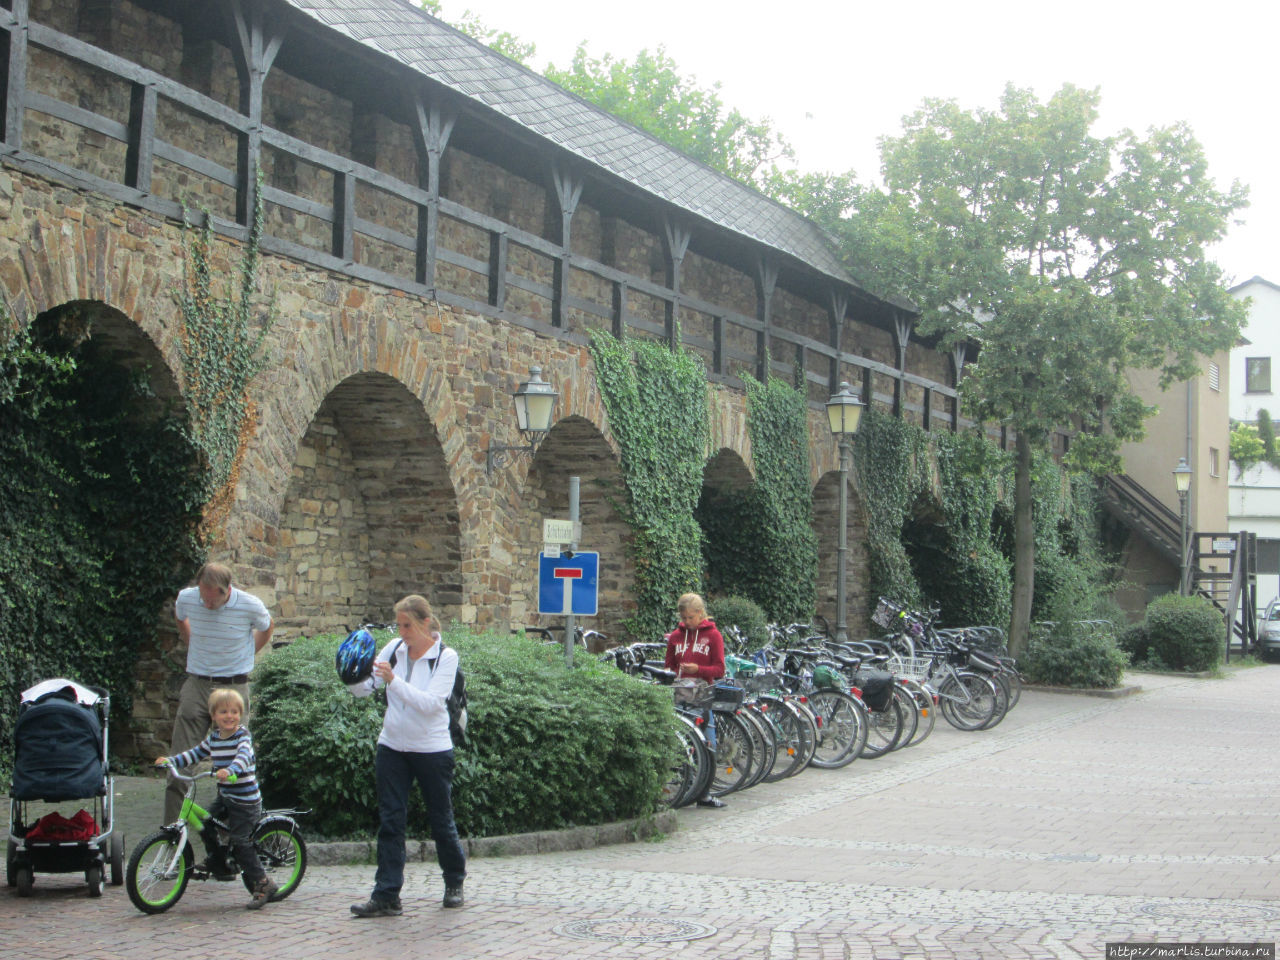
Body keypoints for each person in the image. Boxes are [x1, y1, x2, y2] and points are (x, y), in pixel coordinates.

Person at [346, 594, 467, 918]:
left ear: (425, 623)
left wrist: (393, 681)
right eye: (398, 625)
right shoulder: (394, 649)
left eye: (407, 625)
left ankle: (454, 881)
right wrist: (351, 675)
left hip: (432, 749)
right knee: (390, 821)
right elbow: (366, 688)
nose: (401, 632)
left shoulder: (446, 656)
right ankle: (386, 894)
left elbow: (430, 704)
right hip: (392, 747)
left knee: (441, 820)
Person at [165, 563, 273, 823]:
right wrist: (192, 643)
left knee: (234, 766)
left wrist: (247, 656)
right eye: (203, 596)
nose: (207, 603)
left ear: (227, 591)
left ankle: (233, 839)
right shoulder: (188, 598)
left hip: (233, 687)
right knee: (179, 765)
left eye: (213, 599)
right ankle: (170, 834)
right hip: (198, 683)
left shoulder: (249, 605)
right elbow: (180, 618)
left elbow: (267, 627)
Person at [156, 688, 278, 909]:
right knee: (205, 822)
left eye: (234, 712)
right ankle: (217, 861)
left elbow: (243, 756)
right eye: (223, 712)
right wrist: (172, 761)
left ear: (240, 715)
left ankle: (263, 882)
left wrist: (231, 770)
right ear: (213, 716)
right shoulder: (213, 738)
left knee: (241, 841)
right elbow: (193, 754)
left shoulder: (243, 737)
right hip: (226, 795)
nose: (229, 716)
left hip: (245, 801)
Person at [664, 592, 727, 809]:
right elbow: (669, 665)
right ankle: (687, 787)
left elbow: (719, 669)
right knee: (683, 744)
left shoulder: (713, 636)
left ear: (700, 614)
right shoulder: (675, 637)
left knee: (708, 744)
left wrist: (698, 669)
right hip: (680, 694)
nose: (687, 622)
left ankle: (705, 793)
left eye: (690, 617)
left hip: (702, 696)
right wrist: (676, 671)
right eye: (684, 618)